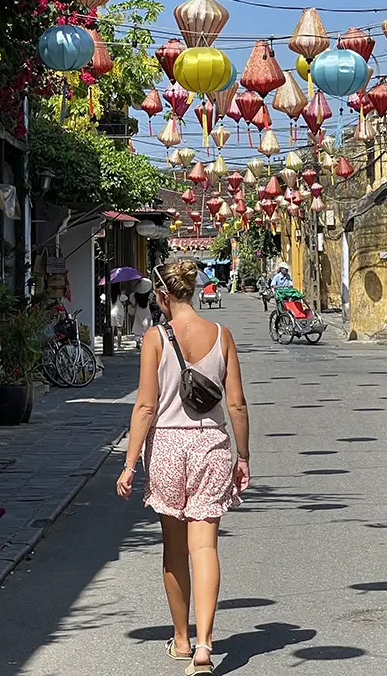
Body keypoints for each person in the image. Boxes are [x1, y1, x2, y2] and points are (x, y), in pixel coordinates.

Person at [116, 260, 251, 675]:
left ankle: (180, 638)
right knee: (205, 547)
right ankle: (206, 646)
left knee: (174, 548)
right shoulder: (222, 335)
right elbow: (236, 405)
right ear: (191, 291)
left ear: (161, 296)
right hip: (211, 446)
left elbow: (145, 406)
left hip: (169, 448)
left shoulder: (155, 338)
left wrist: (129, 463)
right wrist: (243, 457)